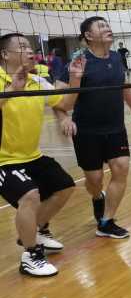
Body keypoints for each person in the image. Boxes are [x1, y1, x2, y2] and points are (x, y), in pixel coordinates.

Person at [0, 33, 84, 276]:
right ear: (5, 54)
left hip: (31, 155)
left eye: (30, 46)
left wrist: (75, 79)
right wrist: (11, 90)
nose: (30, 50)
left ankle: (34, 231)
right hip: (4, 160)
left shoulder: (37, 81)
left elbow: (64, 104)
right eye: (22, 47)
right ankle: (31, 255)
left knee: (65, 186)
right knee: (30, 195)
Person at [58, 16, 131, 239]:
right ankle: (97, 197)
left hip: (115, 128)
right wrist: (64, 117)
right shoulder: (78, 61)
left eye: (107, 25)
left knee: (121, 168)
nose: (108, 28)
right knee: (95, 179)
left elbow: (123, 84)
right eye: (101, 26)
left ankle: (106, 222)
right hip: (87, 132)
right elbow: (60, 99)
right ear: (88, 35)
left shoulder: (116, 57)